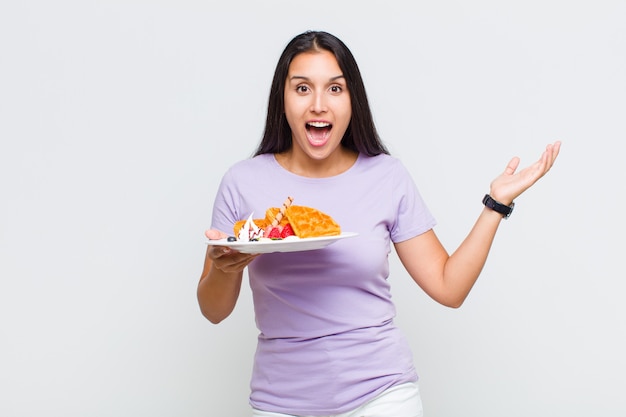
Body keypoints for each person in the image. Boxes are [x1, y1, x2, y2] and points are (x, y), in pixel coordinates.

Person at [197, 30, 561, 417]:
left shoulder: (386, 176)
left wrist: (496, 205)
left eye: (335, 89)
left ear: (353, 99)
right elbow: (214, 310)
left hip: (382, 397)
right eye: (302, 88)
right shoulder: (243, 182)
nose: (318, 105)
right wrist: (222, 268)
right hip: (280, 402)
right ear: (282, 100)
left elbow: (449, 287)